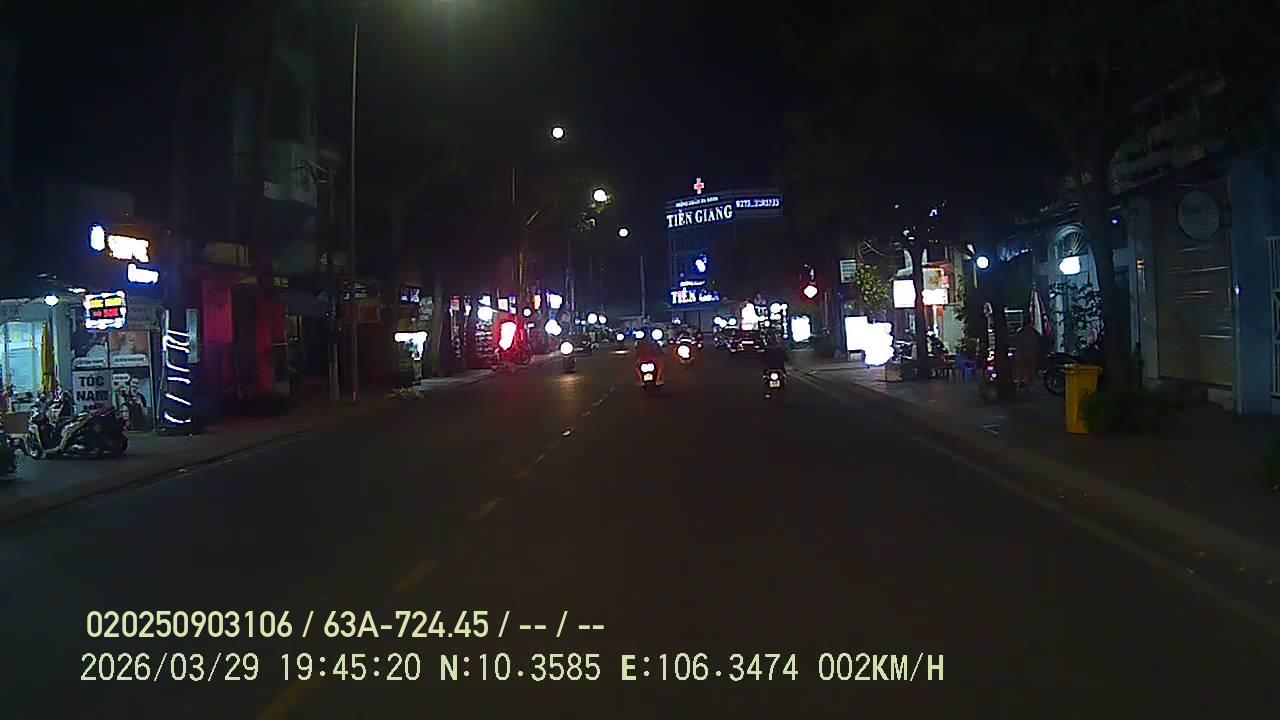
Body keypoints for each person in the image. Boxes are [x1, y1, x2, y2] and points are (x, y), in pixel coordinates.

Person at [1014, 315, 1040, 390]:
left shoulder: (1020, 331)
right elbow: (1038, 340)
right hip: (1031, 353)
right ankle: (1028, 385)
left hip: (1021, 353)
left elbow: (1016, 341)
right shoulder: (1033, 331)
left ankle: (1019, 385)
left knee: (1020, 370)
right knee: (1029, 370)